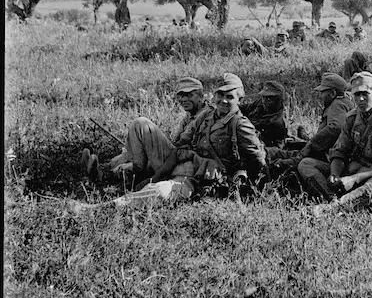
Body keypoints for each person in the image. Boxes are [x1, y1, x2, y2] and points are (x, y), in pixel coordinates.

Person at [70, 74, 266, 212]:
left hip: (201, 177)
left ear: (240, 100)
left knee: (160, 193)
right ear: (214, 96)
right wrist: (159, 172)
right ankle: (122, 177)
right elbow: (181, 142)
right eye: (220, 95)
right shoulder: (206, 117)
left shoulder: (240, 124)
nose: (223, 101)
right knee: (141, 129)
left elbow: (257, 159)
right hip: (181, 164)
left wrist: (250, 188)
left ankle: (96, 209)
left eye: (229, 97)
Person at [308, 72, 372, 217]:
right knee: (307, 164)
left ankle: (333, 209)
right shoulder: (351, 118)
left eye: (365, 93)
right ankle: (332, 197)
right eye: (356, 95)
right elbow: (340, 151)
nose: (361, 99)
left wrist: (354, 179)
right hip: (356, 170)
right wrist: (335, 174)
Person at [81, 76, 210, 184]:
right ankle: (104, 171)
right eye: (181, 96)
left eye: (189, 95)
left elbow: (187, 146)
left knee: (141, 124)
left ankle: (134, 171)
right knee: (135, 151)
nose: (183, 99)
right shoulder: (191, 114)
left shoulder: (206, 116)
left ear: (201, 96)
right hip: (176, 157)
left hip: (183, 163)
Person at [240, 80, 289, 148]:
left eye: (269, 99)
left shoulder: (277, 123)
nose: (264, 101)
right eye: (263, 97)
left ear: (279, 101)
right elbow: (243, 108)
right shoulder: (260, 103)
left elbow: (276, 149)